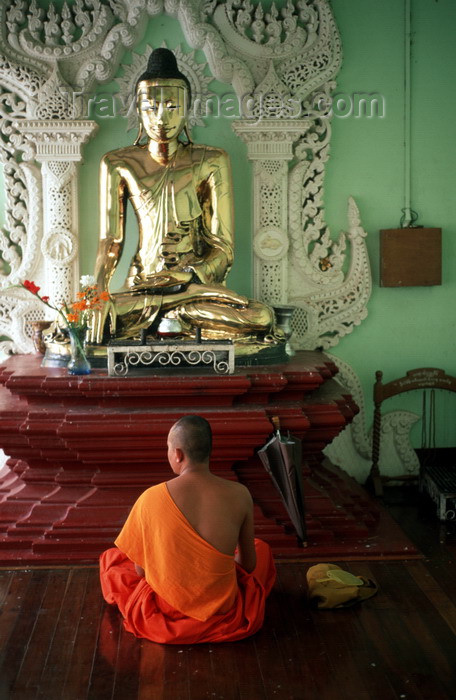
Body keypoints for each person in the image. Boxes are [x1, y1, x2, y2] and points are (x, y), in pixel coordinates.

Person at [86, 48, 281, 352]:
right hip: (142, 289)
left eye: (172, 106)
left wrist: (187, 275)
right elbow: (111, 239)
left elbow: (223, 249)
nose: (161, 118)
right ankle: (169, 312)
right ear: (138, 109)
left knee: (260, 317)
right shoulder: (117, 163)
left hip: (196, 291)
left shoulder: (212, 160)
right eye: (151, 107)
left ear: (188, 108)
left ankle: (173, 310)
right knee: (85, 319)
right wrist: (98, 295)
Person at [99, 415, 276, 644]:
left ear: (178, 454)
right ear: (208, 452)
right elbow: (249, 564)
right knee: (261, 549)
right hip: (222, 609)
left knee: (111, 560)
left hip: (166, 608)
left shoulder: (150, 498)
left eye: (168, 449)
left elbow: (141, 572)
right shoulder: (240, 494)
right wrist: (209, 570)